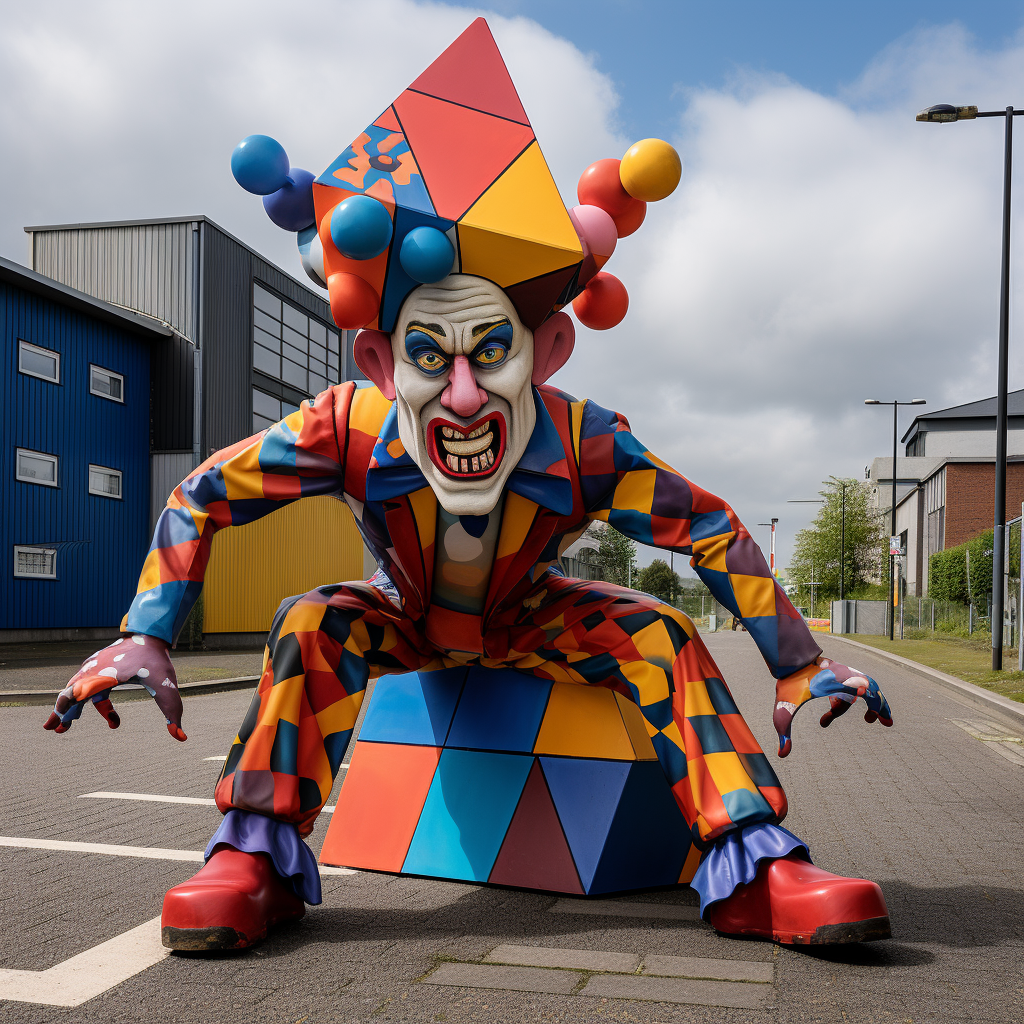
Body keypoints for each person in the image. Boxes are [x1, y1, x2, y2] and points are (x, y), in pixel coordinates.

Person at [45, 19, 893, 952]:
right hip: (399, 613)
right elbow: (202, 495)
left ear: (547, 349)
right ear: (378, 360)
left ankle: (756, 865)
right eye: (426, 355)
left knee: (661, 631)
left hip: (531, 615)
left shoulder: (584, 443)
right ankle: (253, 857)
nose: (460, 396)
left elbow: (710, 530)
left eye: (492, 352)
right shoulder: (345, 427)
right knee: (310, 622)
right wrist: (145, 634)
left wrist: (800, 661)